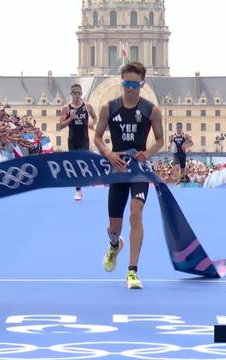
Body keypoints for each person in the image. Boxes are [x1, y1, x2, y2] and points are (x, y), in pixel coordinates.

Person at [94, 62, 164, 289]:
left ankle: (132, 272)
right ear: (121, 81)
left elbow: (161, 139)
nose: (131, 88)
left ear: (142, 84)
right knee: (114, 226)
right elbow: (97, 138)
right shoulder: (109, 108)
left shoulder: (151, 110)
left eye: (135, 83)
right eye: (127, 83)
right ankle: (115, 244)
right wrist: (108, 153)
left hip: (139, 170)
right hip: (118, 168)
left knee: (136, 213)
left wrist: (148, 152)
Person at [59, 84, 96, 200]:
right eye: (74, 93)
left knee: (84, 161)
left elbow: (95, 117)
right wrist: (70, 118)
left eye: (78, 93)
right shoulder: (66, 108)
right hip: (72, 139)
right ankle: (78, 190)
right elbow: (60, 125)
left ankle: (86, 178)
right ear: (71, 94)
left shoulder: (87, 106)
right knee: (75, 165)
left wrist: (91, 123)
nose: (77, 96)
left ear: (81, 94)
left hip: (84, 138)